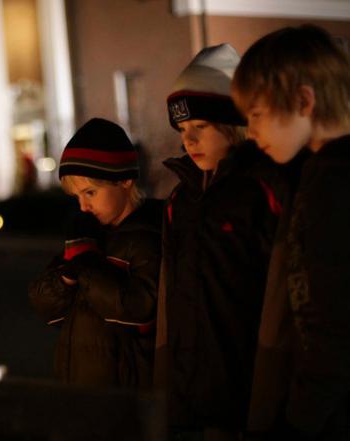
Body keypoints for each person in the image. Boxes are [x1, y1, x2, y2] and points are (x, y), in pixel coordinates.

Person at [153, 43, 286, 440]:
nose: (188, 141)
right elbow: (168, 302)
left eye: (200, 128)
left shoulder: (264, 192)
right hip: (190, 394)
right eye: (181, 131)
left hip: (245, 390)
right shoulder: (180, 201)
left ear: (234, 124)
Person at [231, 25, 350, 440]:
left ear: (304, 100)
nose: (251, 131)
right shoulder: (320, 173)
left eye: (257, 114)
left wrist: (296, 424)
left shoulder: (332, 186)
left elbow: (333, 327)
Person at [29, 118, 162, 388]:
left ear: (124, 180)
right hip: (80, 382)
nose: (84, 206)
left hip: (126, 389)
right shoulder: (91, 235)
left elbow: (138, 311)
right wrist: (67, 273)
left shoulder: (147, 236)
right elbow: (48, 310)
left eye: (90, 192)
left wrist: (86, 266)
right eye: (77, 197)